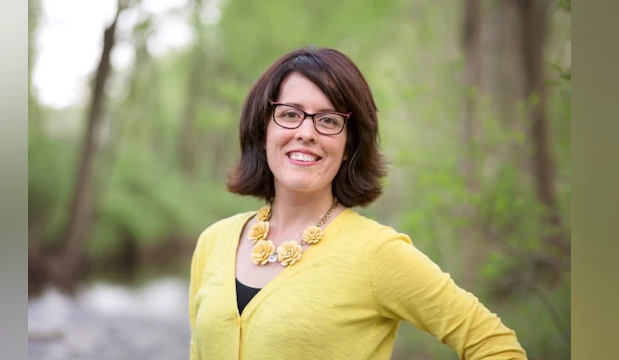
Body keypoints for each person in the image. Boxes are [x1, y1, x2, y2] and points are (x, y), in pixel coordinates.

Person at [188, 47, 527, 359]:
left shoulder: (377, 254)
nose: (306, 132)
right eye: (290, 114)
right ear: (263, 131)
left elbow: (494, 344)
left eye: (328, 120)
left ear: (349, 145)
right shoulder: (214, 242)